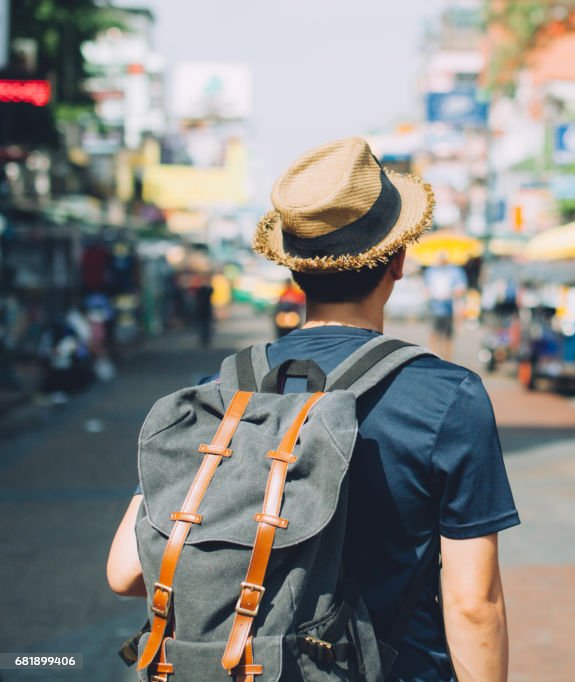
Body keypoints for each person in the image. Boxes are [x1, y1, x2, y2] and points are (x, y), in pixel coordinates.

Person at [107, 138, 518, 682]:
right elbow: (473, 603)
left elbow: (125, 571)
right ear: (398, 261)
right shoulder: (447, 396)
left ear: (294, 271)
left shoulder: (221, 392)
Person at [424, 252, 467, 360]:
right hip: (434, 307)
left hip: (449, 308)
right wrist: (432, 294)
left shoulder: (455, 271)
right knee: (434, 334)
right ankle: (433, 358)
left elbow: (461, 288)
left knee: (448, 336)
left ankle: (447, 359)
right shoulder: (430, 271)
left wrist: (449, 294)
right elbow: (425, 288)